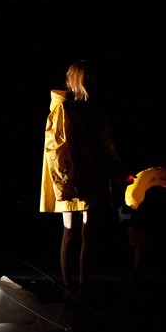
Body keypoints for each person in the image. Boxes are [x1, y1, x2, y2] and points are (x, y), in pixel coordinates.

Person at [40, 60, 123, 297]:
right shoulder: (64, 108)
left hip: (92, 175)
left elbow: (105, 141)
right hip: (71, 177)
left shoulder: (92, 109)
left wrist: (115, 167)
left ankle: (82, 285)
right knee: (70, 230)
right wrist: (63, 180)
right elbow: (56, 149)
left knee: (89, 232)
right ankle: (68, 285)